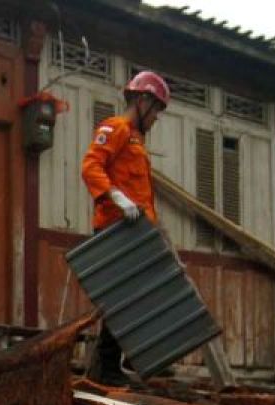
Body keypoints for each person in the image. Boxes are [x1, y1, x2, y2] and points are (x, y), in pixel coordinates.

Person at [80, 70, 170, 385]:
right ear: (143, 101)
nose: (157, 117)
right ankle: (107, 368)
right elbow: (91, 165)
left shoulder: (137, 142)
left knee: (135, 297)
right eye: (156, 109)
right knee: (121, 298)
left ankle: (115, 364)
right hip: (114, 229)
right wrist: (115, 196)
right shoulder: (116, 128)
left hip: (135, 231)